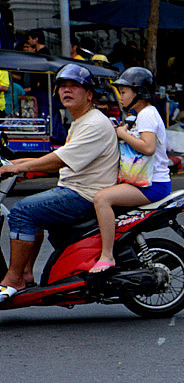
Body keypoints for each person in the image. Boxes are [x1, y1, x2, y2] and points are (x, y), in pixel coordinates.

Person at [0, 64, 118, 300]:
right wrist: (12, 163)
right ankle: (25, 273)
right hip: (76, 190)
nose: (67, 90)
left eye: (74, 86)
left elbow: (57, 161)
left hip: (83, 195)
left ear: (89, 94)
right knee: (32, 213)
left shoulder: (94, 123)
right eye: (63, 86)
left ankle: (14, 279)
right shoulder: (81, 120)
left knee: (22, 211)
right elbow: (60, 154)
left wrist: (16, 167)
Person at [88, 67, 171, 274]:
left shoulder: (147, 115)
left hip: (153, 184)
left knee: (102, 199)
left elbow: (148, 148)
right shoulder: (142, 114)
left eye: (124, 92)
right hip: (147, 180)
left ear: (139, 93)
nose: (120, 97)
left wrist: (122, 134)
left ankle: (107, 256)